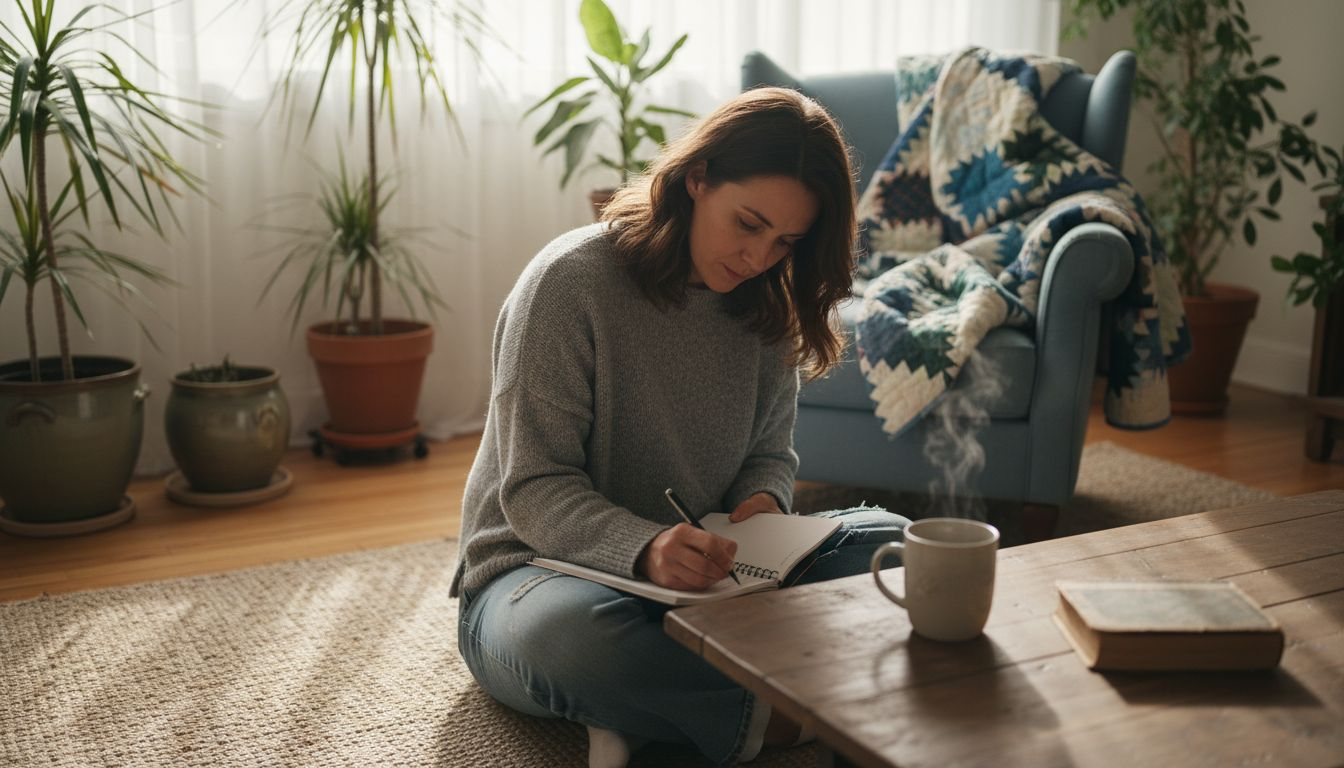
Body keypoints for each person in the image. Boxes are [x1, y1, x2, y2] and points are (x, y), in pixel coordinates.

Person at [452, 87, 910, 766]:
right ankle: (784, 715)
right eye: (748, 223)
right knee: (576, 643)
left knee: (896, 547)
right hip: (538, 574)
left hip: (705, 582)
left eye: (786, 241)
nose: (760, 257)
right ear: (698, 178)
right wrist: (646, 547)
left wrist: (763, 509)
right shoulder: (568, 284)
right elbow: (535, 490)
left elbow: (768, 453)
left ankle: (664, 713)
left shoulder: (767, 303)